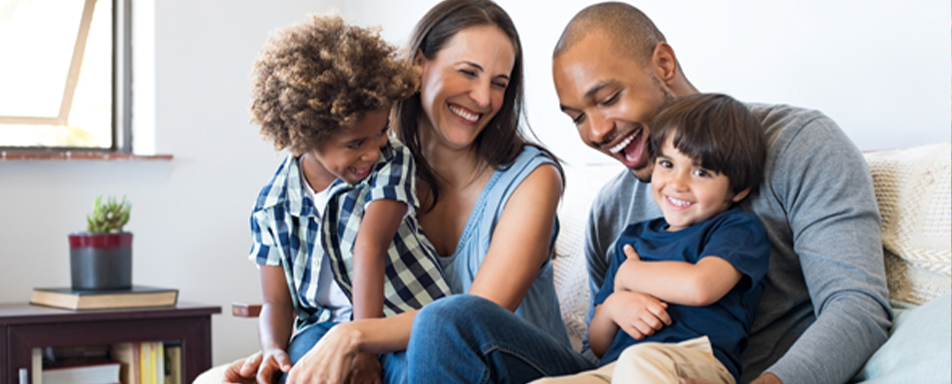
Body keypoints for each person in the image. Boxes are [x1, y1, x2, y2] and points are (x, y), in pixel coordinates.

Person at [409, 2, 892, 384]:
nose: (596, 131)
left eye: (608, 98)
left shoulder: (799, 143)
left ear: (663, 63)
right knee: (447, 321)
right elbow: (601, 346)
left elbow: (857, 307)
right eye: (576, 117)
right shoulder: (611, 208)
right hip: (617, 372)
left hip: (725, 371)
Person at [225, 1, 592, 383]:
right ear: (418, 64)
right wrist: (284, 353)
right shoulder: (367, 169)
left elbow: (474, 315)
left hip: (516, 366)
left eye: (499, 83)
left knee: (441, 321)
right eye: (468, 72)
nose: (483, 98)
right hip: (426, 362)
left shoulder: (532, 178)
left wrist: (353, 335)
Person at [245, 14, 451, 384]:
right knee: (299, 367)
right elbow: (276, 301)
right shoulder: (272, 206)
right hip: (322, 325)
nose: (372, 152)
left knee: (411, 369)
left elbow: (368, 247)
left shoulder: (392, 161)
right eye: (355, 144)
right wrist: (273, 347)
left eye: (381, 132)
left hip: (399, 317)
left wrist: (363, 348)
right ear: (306, 136)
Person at [539, 93, 770, 384]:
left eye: (701, 171)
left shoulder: (736, 229)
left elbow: (700, 286)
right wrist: (612, 308)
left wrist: (629, 275)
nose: (677, 183)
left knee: (640, 363)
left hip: (694, 362)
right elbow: (598, 344)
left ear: (738, 190)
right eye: (667, 164)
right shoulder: (633, 240)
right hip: (617, 368)